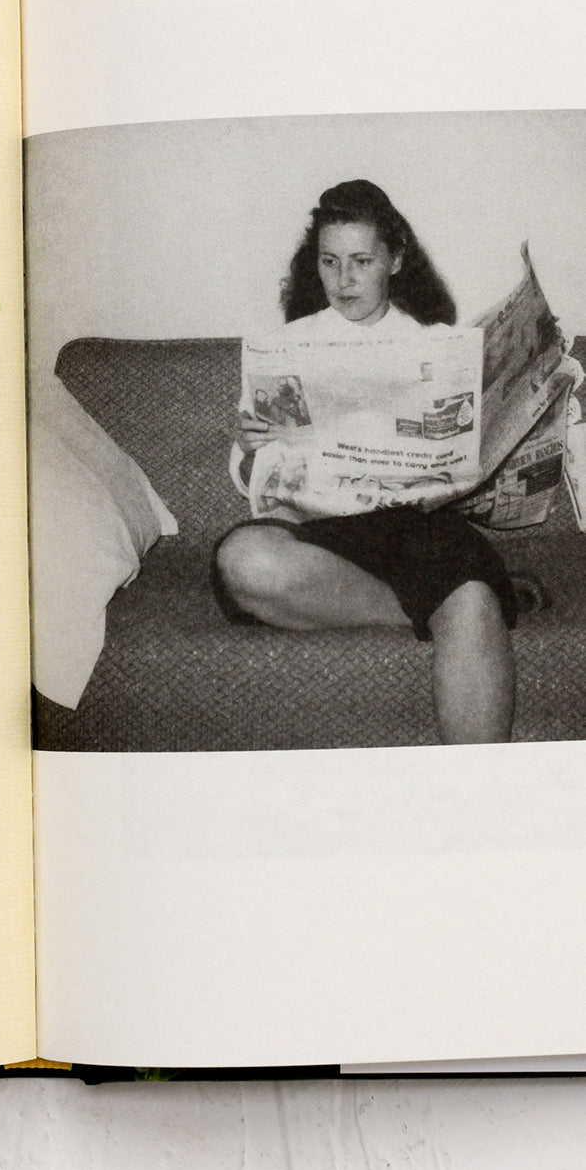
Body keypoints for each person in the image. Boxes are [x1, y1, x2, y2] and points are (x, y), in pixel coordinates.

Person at [213, 179, 516, 745]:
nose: (344, 280)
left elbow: (464, 466)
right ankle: (435, 607)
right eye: (330, 262)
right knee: (244, 560)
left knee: (471, 599)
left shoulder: (433, 345)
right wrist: (251, 447)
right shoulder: (289, 347)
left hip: (413, 529)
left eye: (361, 261)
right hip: (318, 531)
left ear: (396, 261)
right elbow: (249, 479)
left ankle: (481, 799)